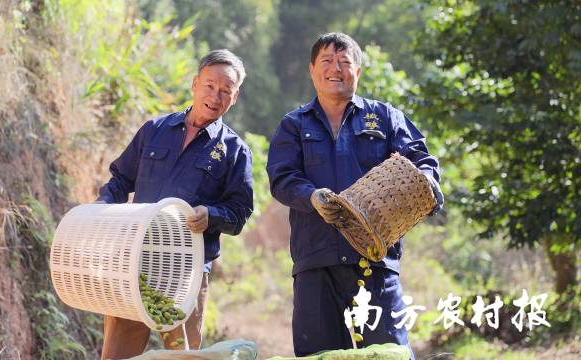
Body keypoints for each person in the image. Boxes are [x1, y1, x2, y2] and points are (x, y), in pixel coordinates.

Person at [266, 32, 443, 358]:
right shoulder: (294, 124)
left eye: (345, 62)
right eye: (327, 62)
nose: (336, 69)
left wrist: (427, 184)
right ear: (312, 70)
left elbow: (423, 162)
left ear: (358, 71)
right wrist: (312, 197)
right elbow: (282, 178)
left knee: (388, 353)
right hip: (316, 264)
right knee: (318, 355)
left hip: (376, 263)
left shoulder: (385, 118)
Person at [97, 49, 254, 360]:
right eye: (210, 85)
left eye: (226, 90)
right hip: (134, 262)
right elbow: (120, 180)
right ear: (195, 84)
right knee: (117, 354)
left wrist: (210, 215)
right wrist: (99, 210)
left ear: (234, 98)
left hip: (188, 272)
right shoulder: (154, 131)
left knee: (182, 355)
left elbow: (239, 212)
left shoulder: (235, 151)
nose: (216, 95)